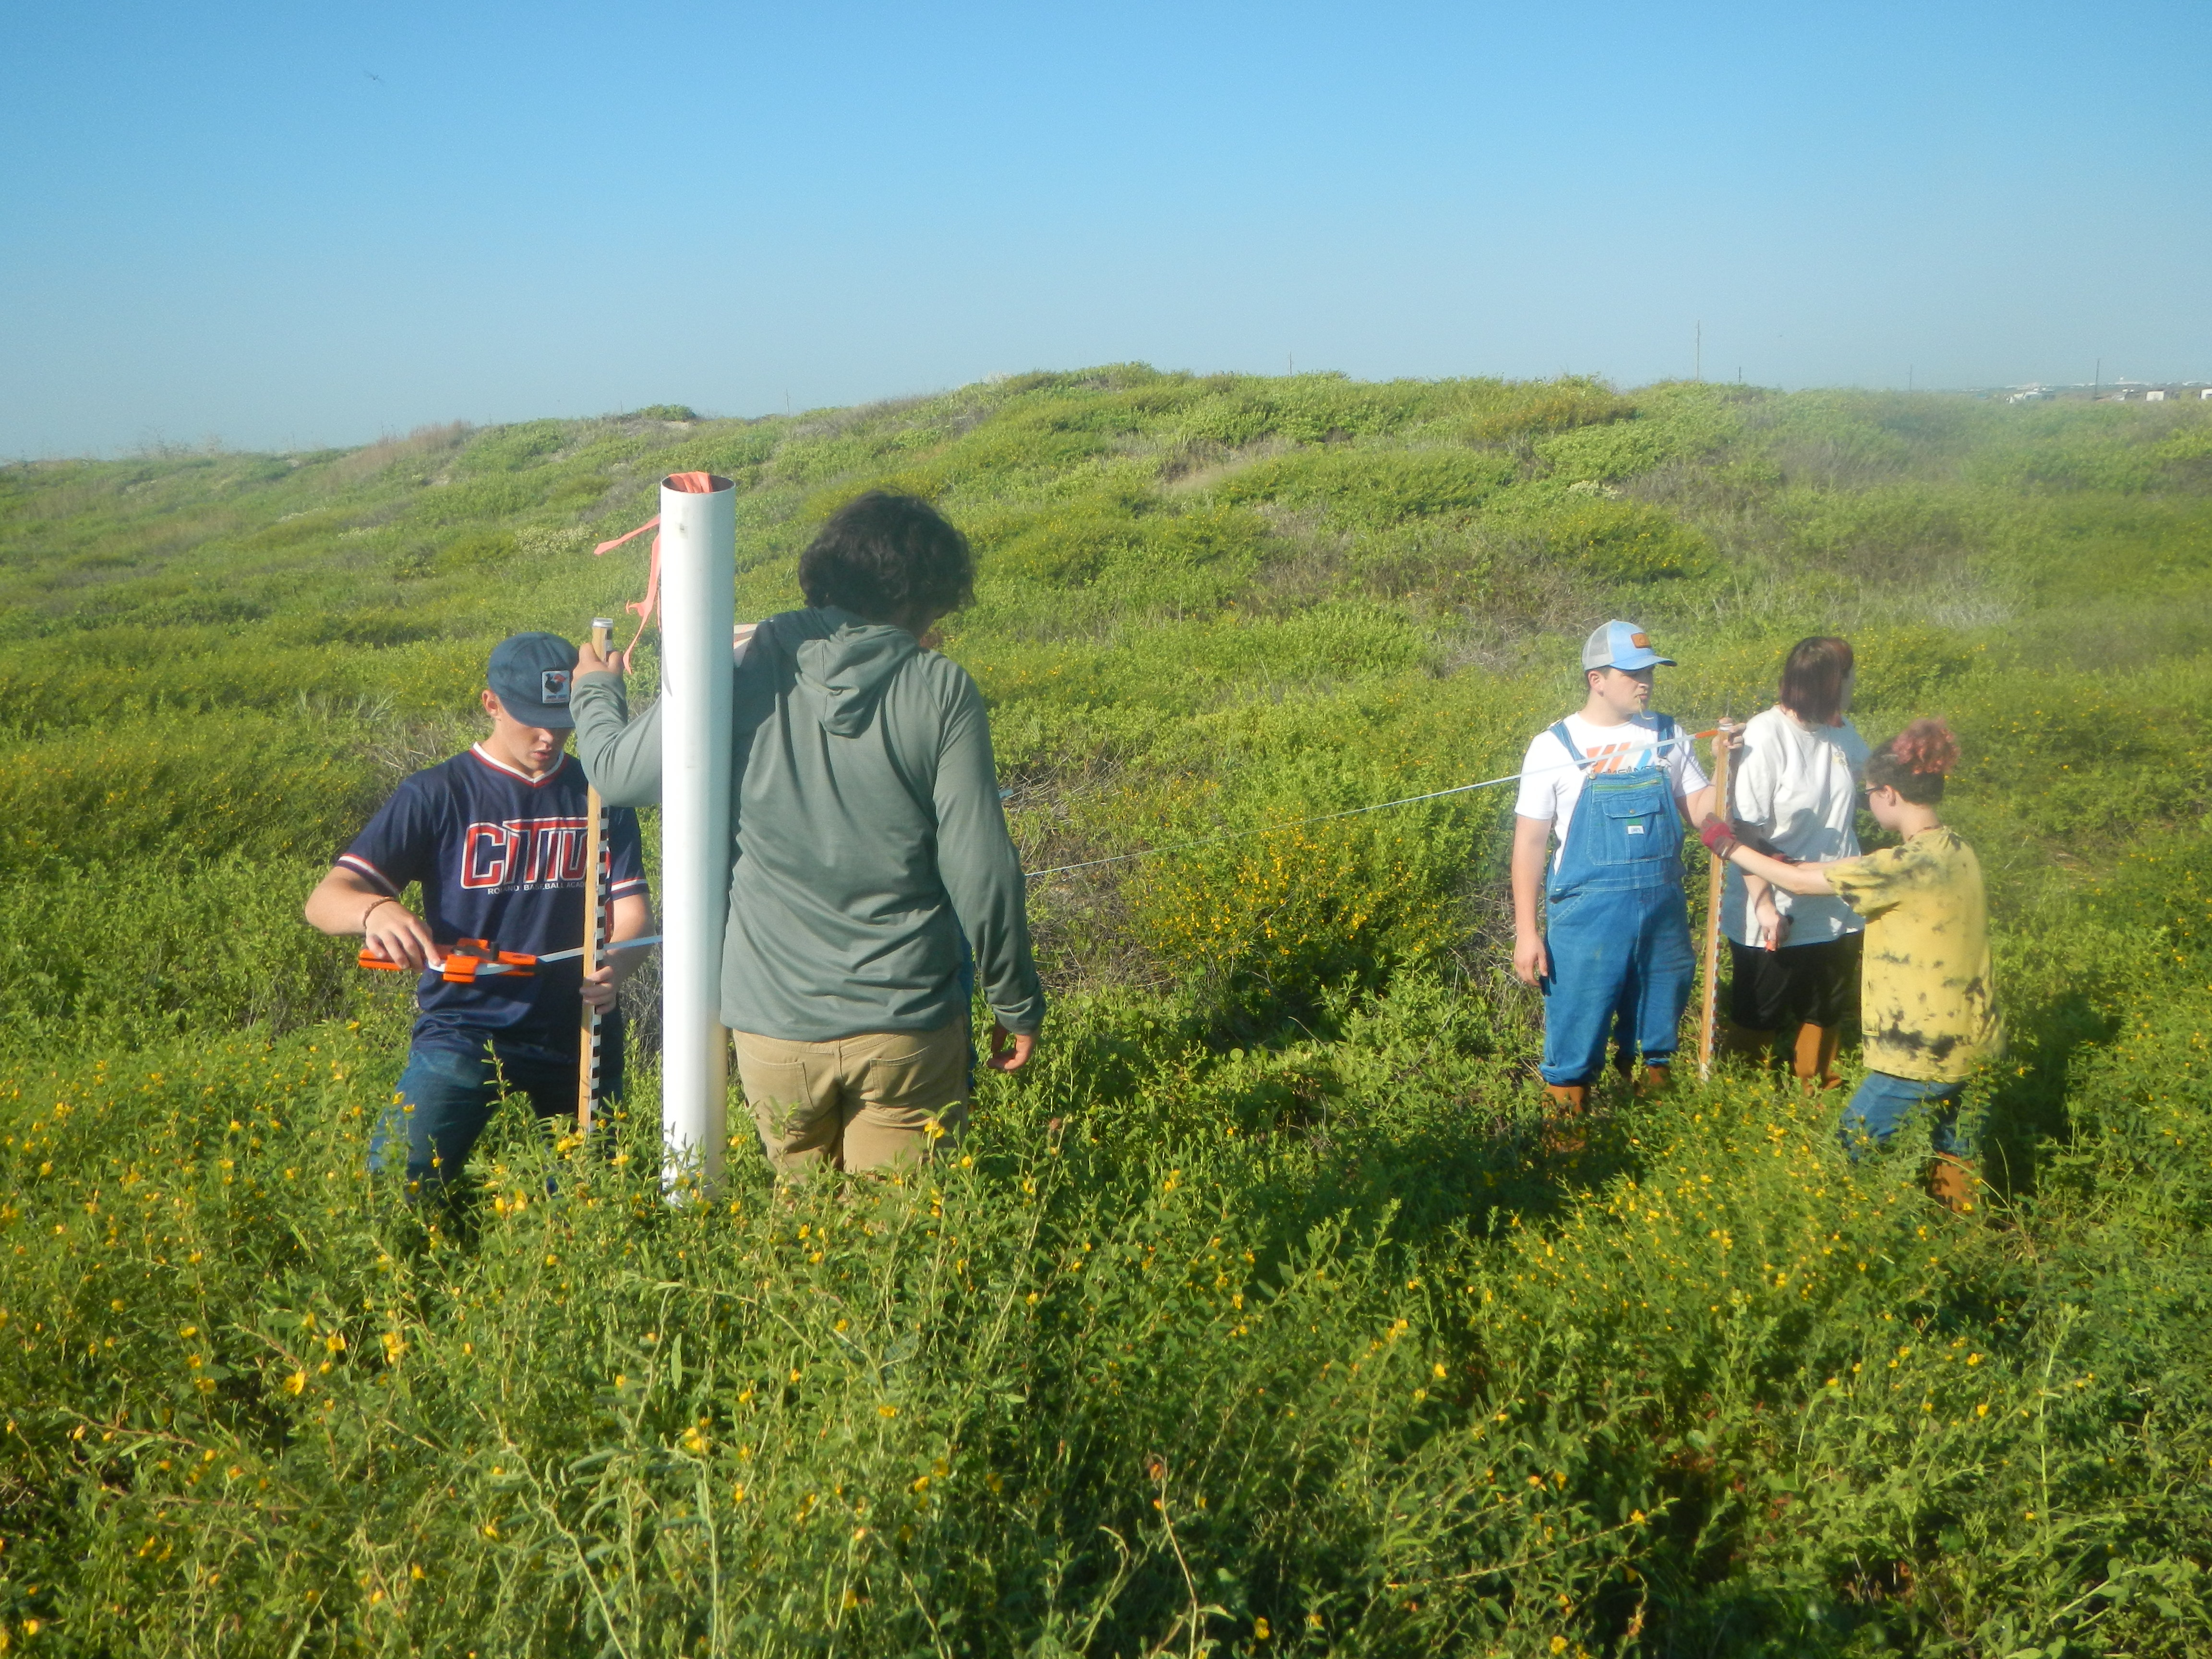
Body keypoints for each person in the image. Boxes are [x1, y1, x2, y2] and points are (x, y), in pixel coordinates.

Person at [572, 490, 1045, 1178]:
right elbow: (983, 869)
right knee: (897, 1253)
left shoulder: (744, 662)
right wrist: (1015, 999)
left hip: (773, 1026)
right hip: (906, 1017)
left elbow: (616, 774)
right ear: (928, 598)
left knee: (806, 1234)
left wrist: (595, 692)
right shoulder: (941, 689)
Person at [303, 633, 655, 1194]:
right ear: (491, 703)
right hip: (465, 1028)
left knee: (590, 1198)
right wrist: (376, 910)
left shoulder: (600, 791)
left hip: (579, 1031)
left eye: (563, 719)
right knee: (399, 1182)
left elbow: (634, 914)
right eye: (531, 719)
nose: (548, 737)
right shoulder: (436, 793)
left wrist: (620, 965)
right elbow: (325, 901)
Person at [1699, 719, 2001, 1212]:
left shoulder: (1900, 867)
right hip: (1977, 1040)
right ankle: (1959, 1235)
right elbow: (1815, 873)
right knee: (1958, 1150)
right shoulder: (1954, 849)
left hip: (1918, 1049)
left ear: (1888, 794)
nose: (1868, 806)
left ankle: (1846, 1237)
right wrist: (1776, 857)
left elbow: (1797, 886)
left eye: (1867, 798)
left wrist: (1728, 846)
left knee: (1844, 1157)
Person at [1511, 620, 1723, 1118]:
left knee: (1657, 1031)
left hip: (1663, 910)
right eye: (1631, 673)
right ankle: (1569, 1151)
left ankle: (1648, 1132)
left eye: (1649, 670)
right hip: (1586, 916)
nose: (1644, 680)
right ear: (1596, 679)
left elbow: (1700, 809)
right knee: (1575, 1031)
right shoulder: (1554, 745)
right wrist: (1527, 932)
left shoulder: (1670, 734)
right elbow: (1530, 843)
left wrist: (1728, 766)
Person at [1720, 636, 1872, 1089]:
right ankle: (1741, 1103)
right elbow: (1745, 830)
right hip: (1772, 896)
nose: (1855, 684)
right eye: (1850, 676)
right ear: (1831, 682)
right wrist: (1764, 907)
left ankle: (1815, 1090)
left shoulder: (1841, 731)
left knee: (1826, 1005)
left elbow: (1868, 791)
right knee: (1760, 1010)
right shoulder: (1767, 735)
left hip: (1835, 897)